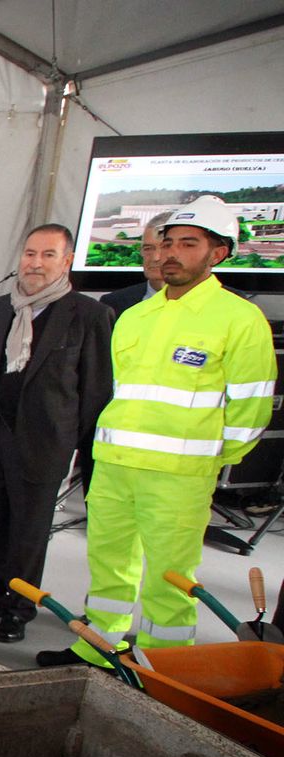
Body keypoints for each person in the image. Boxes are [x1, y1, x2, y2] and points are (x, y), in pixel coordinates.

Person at [40, 196, 276, 666]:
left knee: (169, 579)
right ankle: (99, 649)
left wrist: (210, 458)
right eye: (167, 243)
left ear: (219, 253)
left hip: (180, 475)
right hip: (113, 467)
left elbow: (252, 409)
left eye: (189, 244)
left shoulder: (239, 319)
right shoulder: (135, 316)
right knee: (108, 567)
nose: (171, 253)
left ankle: (163, 670)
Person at [0, 224, 113, 642]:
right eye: (30, 253)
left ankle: (18, 607)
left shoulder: (89, 314)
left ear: (67, 261)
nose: (36, 263)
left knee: (28, 530)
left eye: (48, 255)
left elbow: (95, 389)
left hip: (43, 441)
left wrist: (76, 446)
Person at [101, 210, 173, 318]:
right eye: (148, 248)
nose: (155, 257)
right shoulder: (113, 304)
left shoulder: (206, 304)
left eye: (165, 248)